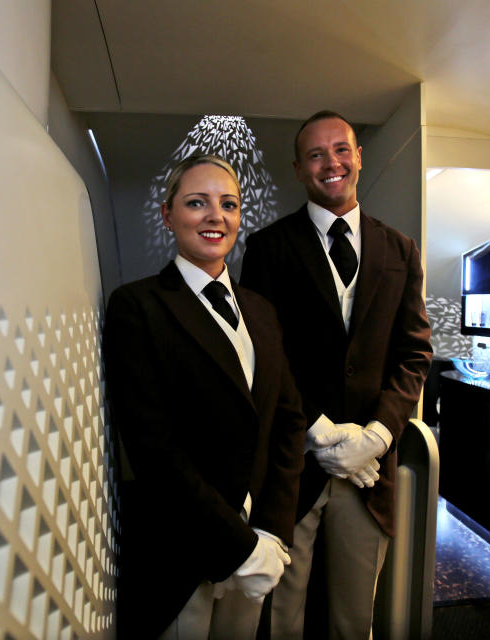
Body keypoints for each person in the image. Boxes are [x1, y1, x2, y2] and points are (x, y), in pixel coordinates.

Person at [240, 111, 433, 638]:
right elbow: (264, 353)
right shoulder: (268, 248)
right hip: (294, 463)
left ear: (358, 157)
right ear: (299, 168)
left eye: (341, 149)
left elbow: (414, 353)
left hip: (369, 473)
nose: (332, 163)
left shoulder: (400, 250)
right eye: (317, 154)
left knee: (354, 619)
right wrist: (316, 432)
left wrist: (378, 435)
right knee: (280, 615)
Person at [103, 154, 307, 639]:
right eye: (197, 203)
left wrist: (272, 532)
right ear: (167, 214)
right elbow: (153, 448)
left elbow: (289, 420)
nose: (216, 216)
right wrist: (236, 544)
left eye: (229, 204)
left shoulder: (261, 310)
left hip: (258, 542)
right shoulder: (136, 305)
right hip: (182, 550)